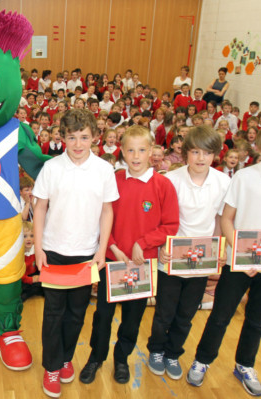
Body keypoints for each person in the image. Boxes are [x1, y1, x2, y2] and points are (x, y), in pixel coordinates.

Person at [186, 121, 261, 396]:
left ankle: (245, 364)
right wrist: (242, 255)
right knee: (220, 315)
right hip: (238, 263)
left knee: (256, 319)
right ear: (258, 149)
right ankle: (202, 360)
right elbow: (227, 219)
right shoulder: (243, 178)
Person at [80, 125, 179, 386]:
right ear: (122, 151)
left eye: (142, 150)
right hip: (111, 261)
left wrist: (143, 243)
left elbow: (171, 225)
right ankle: (96, 358)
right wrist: (112, 246)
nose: (136, 156)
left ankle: (121, 359)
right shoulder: (113, 180)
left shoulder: (163, 185)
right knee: (102, 315)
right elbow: (101, 217)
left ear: (153, 152)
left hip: (141, 266)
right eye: (131, 150)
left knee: (132, 319)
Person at [33, 109, 118, 398]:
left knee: (76, 314)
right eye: (72, 137)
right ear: (63, 138)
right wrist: (39, 247)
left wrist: (101, 249)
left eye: (84, 137)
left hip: (86, 254)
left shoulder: (104, 170)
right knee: (54, 313)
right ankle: (52, 367)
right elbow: (40, 207)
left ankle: (66, 357)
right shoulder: (52, 168)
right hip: (55, 252)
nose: (78, 144)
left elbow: (107, 210)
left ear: (95, 137)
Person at [147, 126, 230, 381]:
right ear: (185, 153)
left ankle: (173, 353)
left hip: (201, 259)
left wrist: (219, 246)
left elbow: (219, 218)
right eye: (195, 152)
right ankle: (157, 350)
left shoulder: (224, 182)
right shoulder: (171, 180)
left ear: (215, 154)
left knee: (186, 313)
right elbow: (160, 218)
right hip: (171, 257)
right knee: (165, 311)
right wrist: (161, 246)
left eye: (207, 153)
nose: (201, 158)